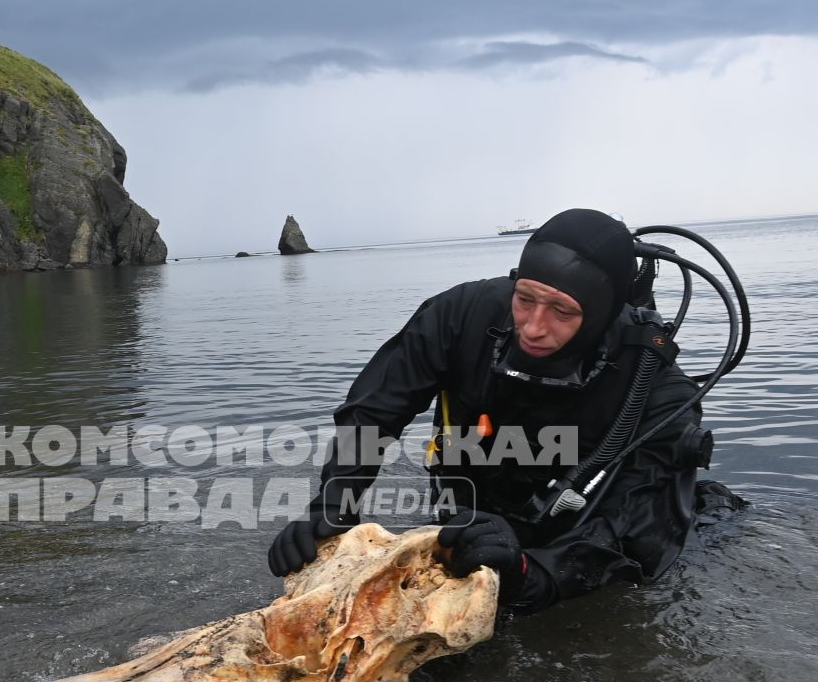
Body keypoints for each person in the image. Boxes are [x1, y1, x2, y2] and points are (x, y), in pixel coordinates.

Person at [266, 208, 729, 614]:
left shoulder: (653, 388)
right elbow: (374, 412)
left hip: (575, 532)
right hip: (468, 514)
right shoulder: (462, 315)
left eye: (562, 312)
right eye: (525, 298)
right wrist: (333, 506)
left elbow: (637, 542)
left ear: (604, 313)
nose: (532, 326)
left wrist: (530, 574)